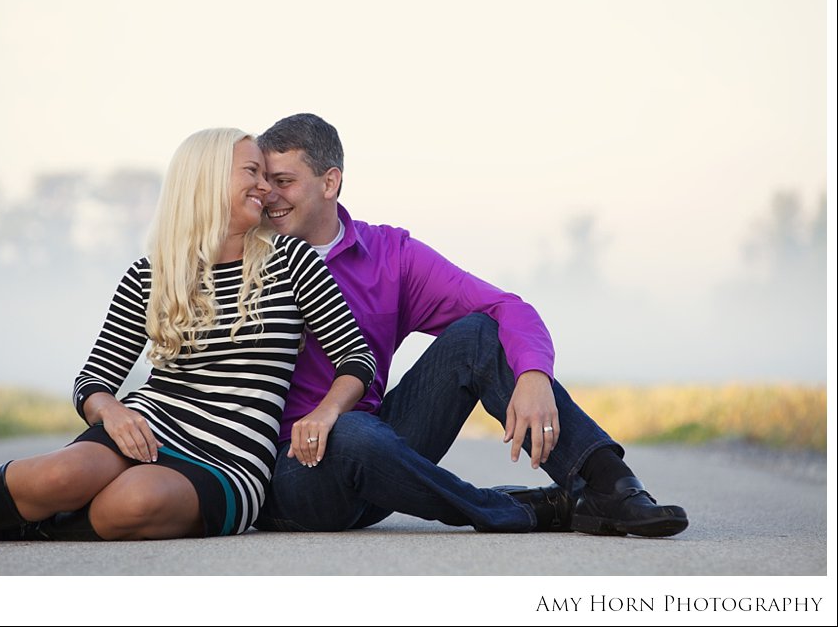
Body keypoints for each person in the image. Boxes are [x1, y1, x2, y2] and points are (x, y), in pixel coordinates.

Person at [251, 113, 688, 536]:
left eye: (284, 182)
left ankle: (609, 485)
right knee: (353, 432)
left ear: (330, 182)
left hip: (382, 459)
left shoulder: (389, 255)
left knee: (477, 335)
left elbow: (506, 307)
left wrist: (534, 374)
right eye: (265, 182)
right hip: (295, 477)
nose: (269, 195)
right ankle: (525, 508)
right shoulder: (243, 260)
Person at [0, 128, 376, 541]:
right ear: (206, 179)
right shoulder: (149, 274)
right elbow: (93, 381)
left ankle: (27, 526)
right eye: (253, 172)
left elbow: (357, 359)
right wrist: (113, 413)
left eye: (267, 176)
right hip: (151, 425)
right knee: (62, 474)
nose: (266, 187)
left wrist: (325, 413)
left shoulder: (292, 260)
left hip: (231, 459)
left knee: (132, 502)